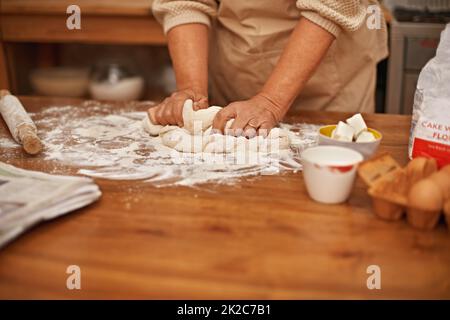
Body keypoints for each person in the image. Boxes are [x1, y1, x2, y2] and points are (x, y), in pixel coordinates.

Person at [148, 0, 388, 137]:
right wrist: (192, 89)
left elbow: (333, 3)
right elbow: (184, 2)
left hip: (329, 81)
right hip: (238, 66)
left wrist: (272, 101)